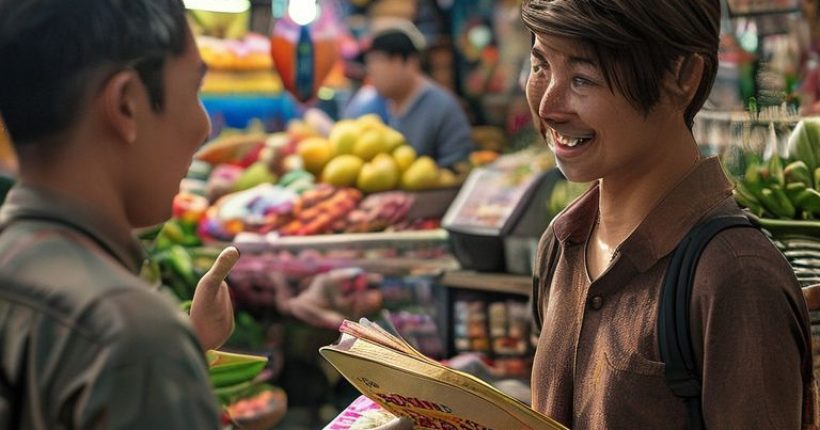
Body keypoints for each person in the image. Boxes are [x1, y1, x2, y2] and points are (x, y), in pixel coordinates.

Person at [522, 1, 815, 429]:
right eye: (540, 67)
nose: (549, 106)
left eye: (584, 78)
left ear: (683, 76)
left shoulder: (734, 274)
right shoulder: (561, 243)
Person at [0, 0, 239, 427]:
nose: (204, 129)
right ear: (127, 104)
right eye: (193, 90)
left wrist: (185, 345)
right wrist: (160, 353)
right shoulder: (132, 334)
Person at [345, 21, 475, 169]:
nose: (371, 72)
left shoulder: (442, 107)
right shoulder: (375, 105)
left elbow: (458, 167)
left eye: (375, 62)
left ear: (406, 62)